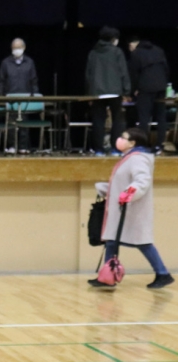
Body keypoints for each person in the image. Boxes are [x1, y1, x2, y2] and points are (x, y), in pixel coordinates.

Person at [90, 128, 173, 289]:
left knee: (143, 243)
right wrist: (108, 188)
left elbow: (142, 181)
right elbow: (124, 181)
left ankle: (163, 274)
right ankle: (107, 277)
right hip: (123, 209)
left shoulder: (138, 159)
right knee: (112, 242)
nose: (119, 139)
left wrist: (128, 194)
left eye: (124, 137)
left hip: (132, 210)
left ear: (132, 143)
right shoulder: (129, 158)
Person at [86, 26, 130, 156]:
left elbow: (88, 75)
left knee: (98, 121)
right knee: (117, 120)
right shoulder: (117, 52)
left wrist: (89, 93)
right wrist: (126, 91)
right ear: (113, 39)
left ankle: (98, 149)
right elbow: (123, 72)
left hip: (97, 92)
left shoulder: (93, 53)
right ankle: (116, 149)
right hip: (115, 91)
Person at [128, 37, 170, 154]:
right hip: (161, 86)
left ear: (134, 44)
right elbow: (166, 69)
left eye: (130, 47)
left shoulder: (136, 53)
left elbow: (134, 73)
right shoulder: (159, 50)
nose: (130, 49)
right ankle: (160, 145)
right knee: (161, 116)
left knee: (144, 118)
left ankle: (142, 145)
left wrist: (134, 90)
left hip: (145, 87)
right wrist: (165, 83)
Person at [0, 38, 39, 153]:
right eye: (14, 48)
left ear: (24, 48)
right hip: (10, 98)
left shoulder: (29, 62)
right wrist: (0, 97)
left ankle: (23, 146)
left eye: (19, 47)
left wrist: (34, 96)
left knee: (24, 123)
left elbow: (34, 81)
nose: (16, 50)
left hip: (25, 98)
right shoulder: (5, 63)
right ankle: (12, 146)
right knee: (11, 124)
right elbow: (1, 81)